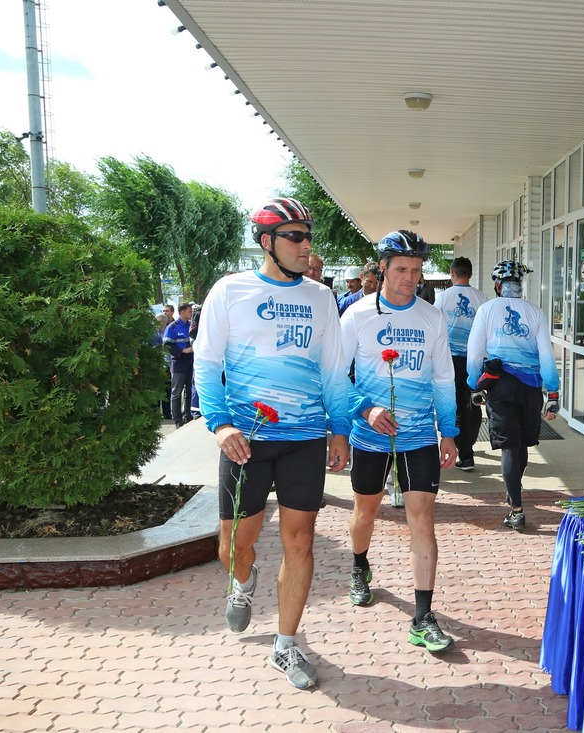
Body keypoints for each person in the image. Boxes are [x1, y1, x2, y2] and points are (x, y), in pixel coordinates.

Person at [194, 197, 351, 690]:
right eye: (295, 237)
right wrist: (219, 425)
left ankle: (285, 645)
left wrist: (340, 428)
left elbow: (333, 371)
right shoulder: (229, 291)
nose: (307, 246)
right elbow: (205, 363)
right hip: (246, 440)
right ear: (267, 242)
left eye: (309, 236)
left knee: (299, 541)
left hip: (304, 438)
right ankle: (243, 582)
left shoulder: (321, 298)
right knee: (234, 547)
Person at [340, 229, 458, 653]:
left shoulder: (432, 317)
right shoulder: (356, 315)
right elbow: (336, 376)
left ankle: (423, 616)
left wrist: (450, 432)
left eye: (417, 270)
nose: (411, 278)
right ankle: (359, 566)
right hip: (370, 437)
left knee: (422, 520)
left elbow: (445, 379)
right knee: (365, 513)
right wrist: (365, 409)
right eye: (403, 269)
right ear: (382, 269)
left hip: (420, 436)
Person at [466, 261, 560, 531]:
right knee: (520, 445)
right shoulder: (535, 312)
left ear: (498, 285)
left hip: (501, 385)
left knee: (509, 444)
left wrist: (474, 385)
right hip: (531, 386)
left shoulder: (486, 310)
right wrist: (552, 391)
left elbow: (474, 353)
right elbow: (546, 355)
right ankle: (514, 492)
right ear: (521, 285)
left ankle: (515, 508)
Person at [433, 257, 488, 471]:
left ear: (452, 273)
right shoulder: (481, 298)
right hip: (476, 360)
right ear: (470, 274)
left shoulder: (443, 297)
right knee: (472, 404)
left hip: (450, 360)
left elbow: (434, 327)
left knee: (454, 404)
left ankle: (465, 453)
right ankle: (468, 446)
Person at [163, 302, 194, 428]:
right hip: (179, 362)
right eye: (189, 311)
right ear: (182, 312)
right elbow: (167, 346)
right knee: (176, 393)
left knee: (189, 391)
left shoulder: (192, 326)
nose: (191, 313)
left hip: (190, 361)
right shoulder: (172, 327)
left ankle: (188, 415)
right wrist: (182, 351)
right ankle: (177, 420)